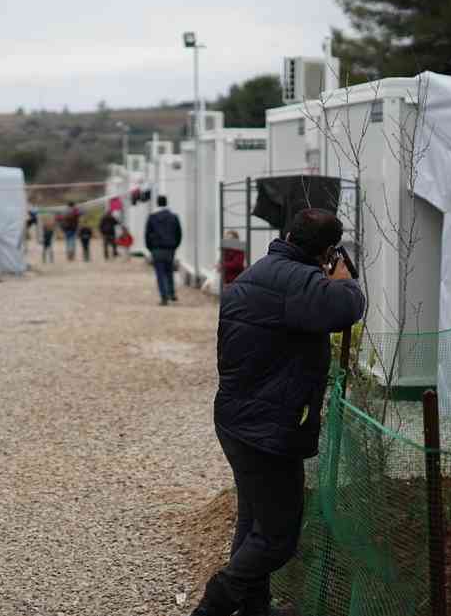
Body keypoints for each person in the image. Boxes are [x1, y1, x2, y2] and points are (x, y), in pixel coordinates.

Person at [190, 209, 366, 616]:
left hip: (235, 418)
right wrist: (346, 279)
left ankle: (255, 609)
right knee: (277, 537)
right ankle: (214, 604)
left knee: (254, 522)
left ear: (287, 234)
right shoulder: (301, 284)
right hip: (270, 428)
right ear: (326, 251)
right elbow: (345, 308)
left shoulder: (256, 274)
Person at [145, 195, 182, 306]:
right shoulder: (174, 217)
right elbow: (179, 233)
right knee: (169, 272)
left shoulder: (152, 217)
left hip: (156, 249)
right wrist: (175, 246)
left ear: (157, 203)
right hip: (170, 249)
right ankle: (172, 293)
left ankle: (164, 297)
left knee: (160, 274)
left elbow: (147, 234)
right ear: (166, 203)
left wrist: (150, 248)